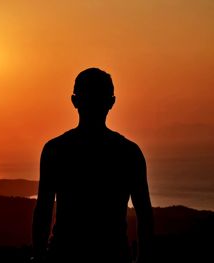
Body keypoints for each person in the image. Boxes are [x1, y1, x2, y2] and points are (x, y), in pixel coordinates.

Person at [32, 68, 153, 262]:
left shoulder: (55, 150)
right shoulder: (129, 153)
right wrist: (143, 260)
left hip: (64, 257)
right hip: (113, 257)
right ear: (112, 102)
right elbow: (144, 214)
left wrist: (38, 256)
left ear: (74, 101)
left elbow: (43, 210)